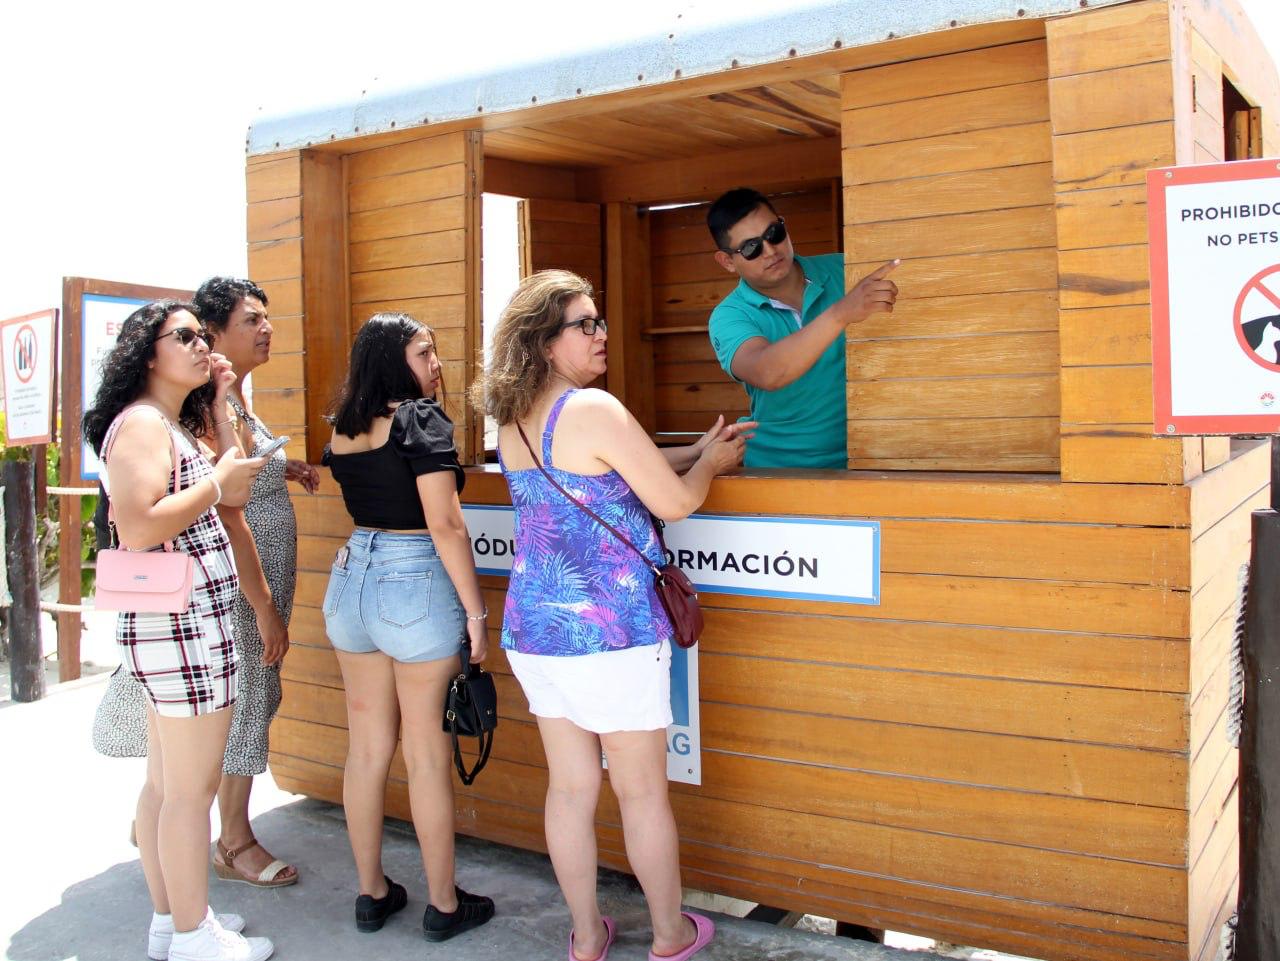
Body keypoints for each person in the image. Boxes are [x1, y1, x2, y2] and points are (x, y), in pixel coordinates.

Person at [473, 269, 750, 961]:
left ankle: (588, 936)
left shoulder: (516, 417)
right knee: (641, 792)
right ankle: (669, 935)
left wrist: (695, 451)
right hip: (612, 632)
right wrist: (710, 466)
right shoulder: (592, 407)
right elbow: (674, 501)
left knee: (570, 790)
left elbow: (608, 469)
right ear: (545, 340)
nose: (601, 334)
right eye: (585, 324)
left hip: (537, 629)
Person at [91, 277, 318, 889]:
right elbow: (223, 505)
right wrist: (262, 603)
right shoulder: (158, 421)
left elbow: (229, 480)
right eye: (250, 320)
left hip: (216, 598)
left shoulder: (214, 406)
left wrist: (271, 462)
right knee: (200, 766)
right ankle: (226, 851)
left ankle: (176, 891)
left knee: (179, 776)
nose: (265, 329)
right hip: (208, 604)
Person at [82, 300, 271, 961]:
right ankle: (193, 934)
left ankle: (175, 921)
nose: (200, 344)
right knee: (190, 794)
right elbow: (139, 526)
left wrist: (218, 404)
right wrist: (213, 483)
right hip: (182, 629)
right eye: (184, 336)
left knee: (168, 787)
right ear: (147, 352)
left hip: (182, 625)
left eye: (199, 335)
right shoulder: (141, 424)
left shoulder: (164, 422)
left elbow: (235, 487)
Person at [321, 312, 496, 942]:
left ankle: (371, 894)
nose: (436, 364)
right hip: (414, 577)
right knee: (425, 755)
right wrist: (476, 614)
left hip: (352, 580)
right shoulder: (420, 418)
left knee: (367, 749)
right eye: (424, 352)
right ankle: (443, 904)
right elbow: (444, 523)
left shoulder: (345, 426)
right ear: (392, 360)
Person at [705, 186, 899, 468]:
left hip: (873, 460)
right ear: (727, 261)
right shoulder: (729, 315)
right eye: (751, 248)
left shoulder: (844, 269)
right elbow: (768, 372)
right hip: (778, 470)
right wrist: (842, 313)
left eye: (774, 233)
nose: (770, 250)